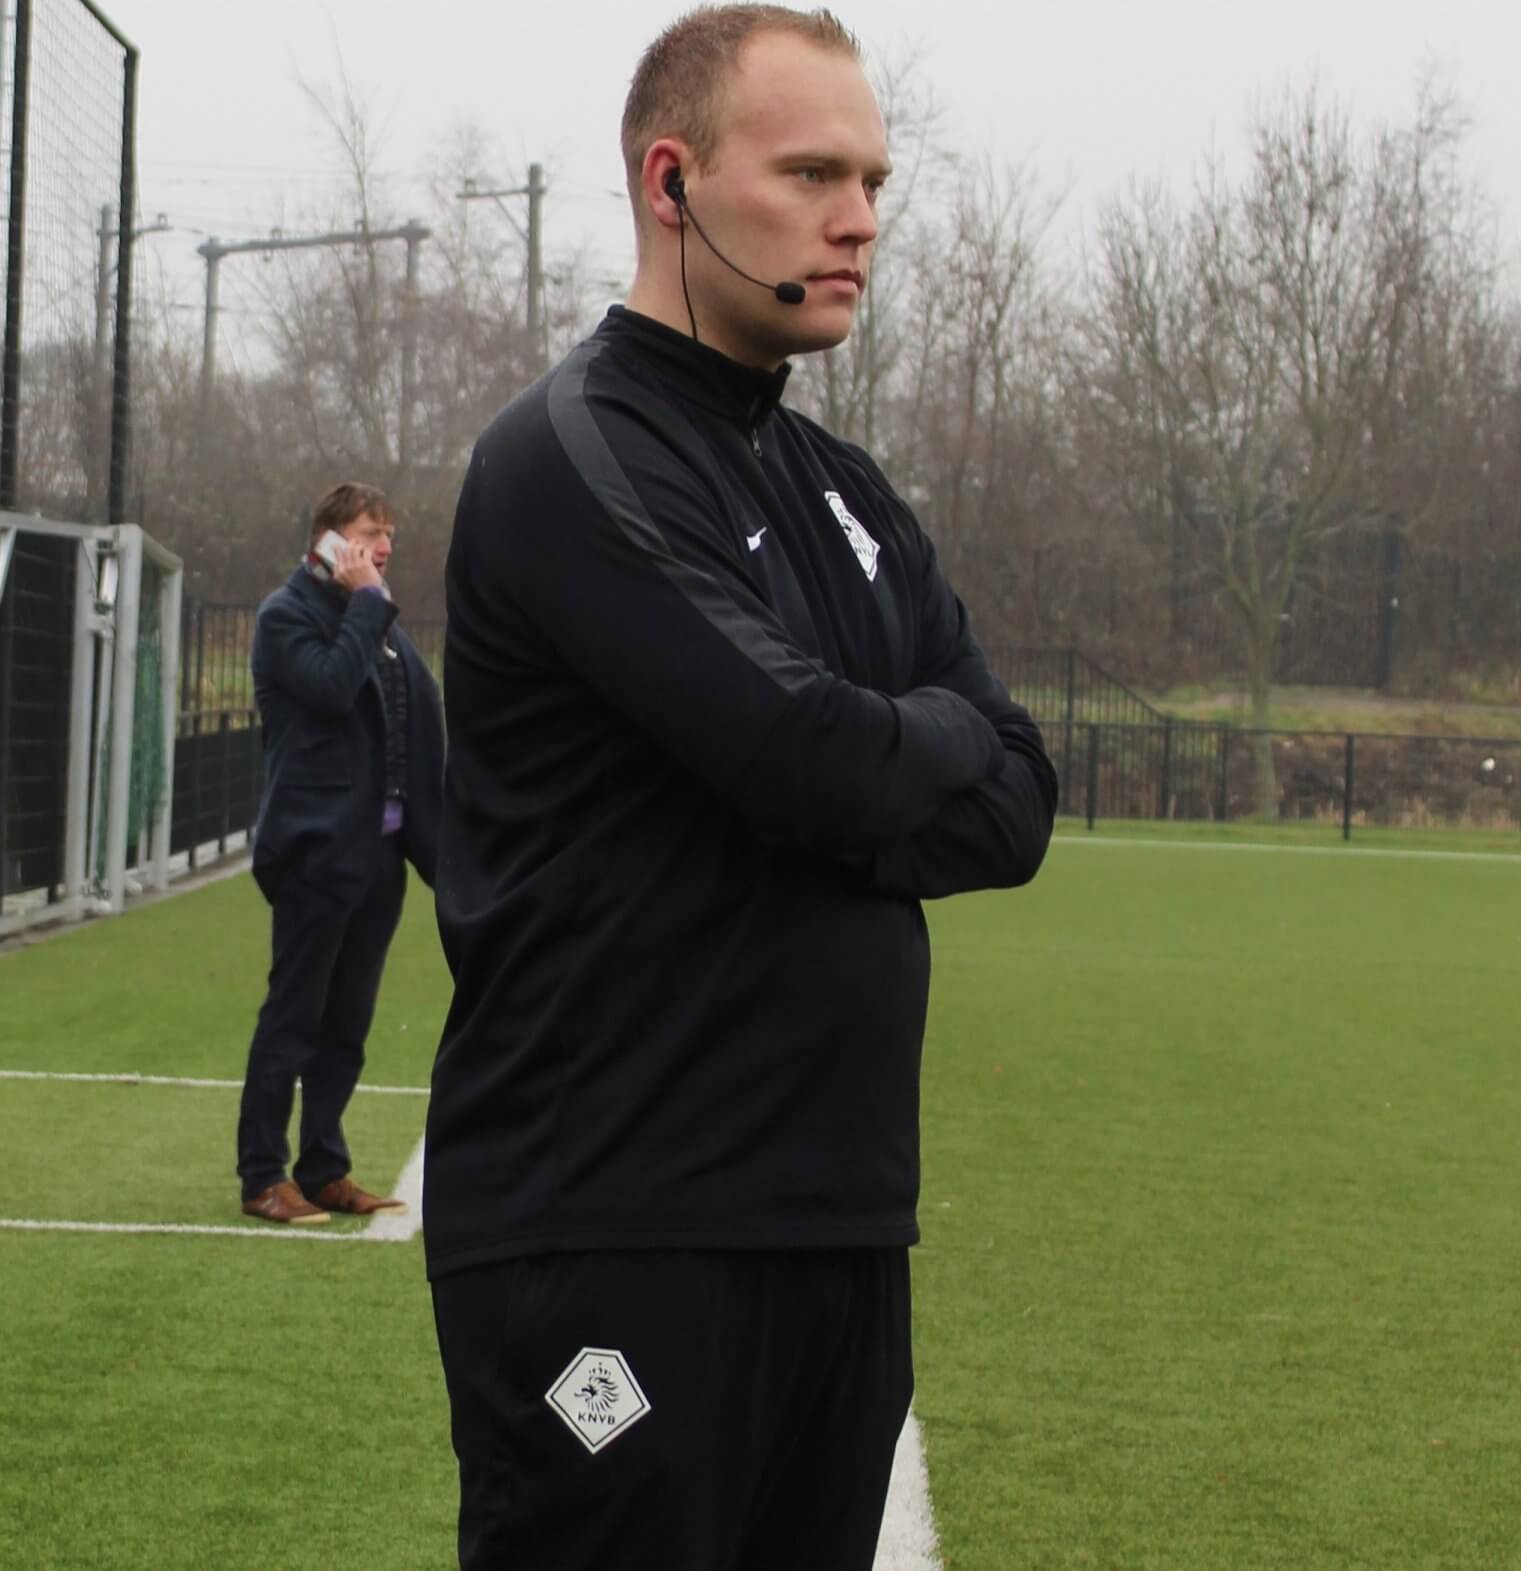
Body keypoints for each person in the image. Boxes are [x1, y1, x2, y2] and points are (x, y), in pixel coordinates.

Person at [426, 8, 1056, 1567]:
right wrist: (881, 751)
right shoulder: (574, 457)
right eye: (814, 173)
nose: (861, 219)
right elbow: (810, 758)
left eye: (876, 181)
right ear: (674, 182)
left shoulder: (851, 497)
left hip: (840, 1231)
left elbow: (1017, 799)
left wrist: (869, 756)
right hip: (615, 1232)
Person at [234, 482, 445, 1225]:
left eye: (389, 531)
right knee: (293, 1018)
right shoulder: (286, 616)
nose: (383, 545)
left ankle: (323, 1168)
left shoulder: (375, 616)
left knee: (347, 1026)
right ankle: (263, 1174)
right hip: (316, 853)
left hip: (380, 858)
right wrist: (365, 602)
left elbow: (417, 718)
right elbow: (328, 688)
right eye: (368, 530)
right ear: (328, 537)